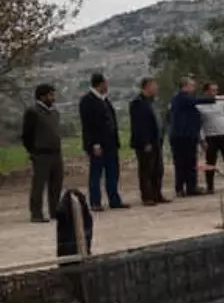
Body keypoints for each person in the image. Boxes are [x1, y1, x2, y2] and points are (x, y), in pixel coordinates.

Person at [78, 72, 126, 211]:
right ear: (100, 84)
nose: (107, 85)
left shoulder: (104, 100)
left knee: (113, 172)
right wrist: (94, 144)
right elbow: (88, 125)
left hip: (110, 144)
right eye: (106, 82)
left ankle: (114, 200)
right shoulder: (87, 101)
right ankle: (95, 202)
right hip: (98, 145)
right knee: (96, 174)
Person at [167, 77, 215, 197]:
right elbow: (197, 100)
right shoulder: (180, 98)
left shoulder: (186, 99)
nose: (194, 88)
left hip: (189, 136)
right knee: (181, 163)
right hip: (181, 137)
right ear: (185, 86)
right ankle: (180, 188)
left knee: (191, 162)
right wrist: (215, 98)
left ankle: (191, 187)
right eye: (192, 86)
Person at [22, 83, 64, 223]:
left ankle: (55, 211)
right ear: (42, 96)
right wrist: (33, 151)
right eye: (51, 95)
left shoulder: (54, 112)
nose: (53, 98)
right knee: (39, 185)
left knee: (56, 184)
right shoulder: (33, 112)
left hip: (56, 153)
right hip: (41, 154)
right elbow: (27, 135)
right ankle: (36, 213)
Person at [129, 77, 170, 205]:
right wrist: (145, 142)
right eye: (154, 85)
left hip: (156, 141)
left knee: (158, 169)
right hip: (146, 143)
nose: (156, 88)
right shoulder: (137, 102)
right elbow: (139, 125)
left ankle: (157, 194)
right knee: (146, 170)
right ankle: (147, 196)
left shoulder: (152, 102)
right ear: (147, 86)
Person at [198, 81, 224, 193]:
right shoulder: (199, 105)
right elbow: (199, 124)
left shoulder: (220, 101)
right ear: (206, 91)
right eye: (213, 90)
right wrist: (202, 139)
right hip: (210, 137)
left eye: (216, 90)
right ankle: (210, 186)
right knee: (210, 162)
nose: (215, 92)